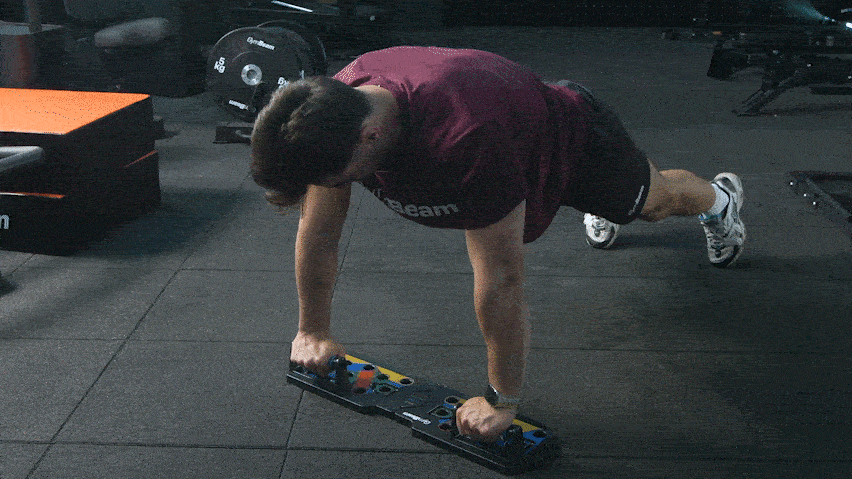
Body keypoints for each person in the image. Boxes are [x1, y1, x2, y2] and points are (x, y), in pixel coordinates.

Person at [250, 46, 746, 442]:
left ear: (371, 136)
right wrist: (312, 330)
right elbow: (319, 232)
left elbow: (502, 280)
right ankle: (602, 204)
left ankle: (720, 200)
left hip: (573, 140)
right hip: (508, 133)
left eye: (339, 178)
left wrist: (501, 399)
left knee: (653, 203)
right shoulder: (335, 109)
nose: (336, 187)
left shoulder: (464, 138)